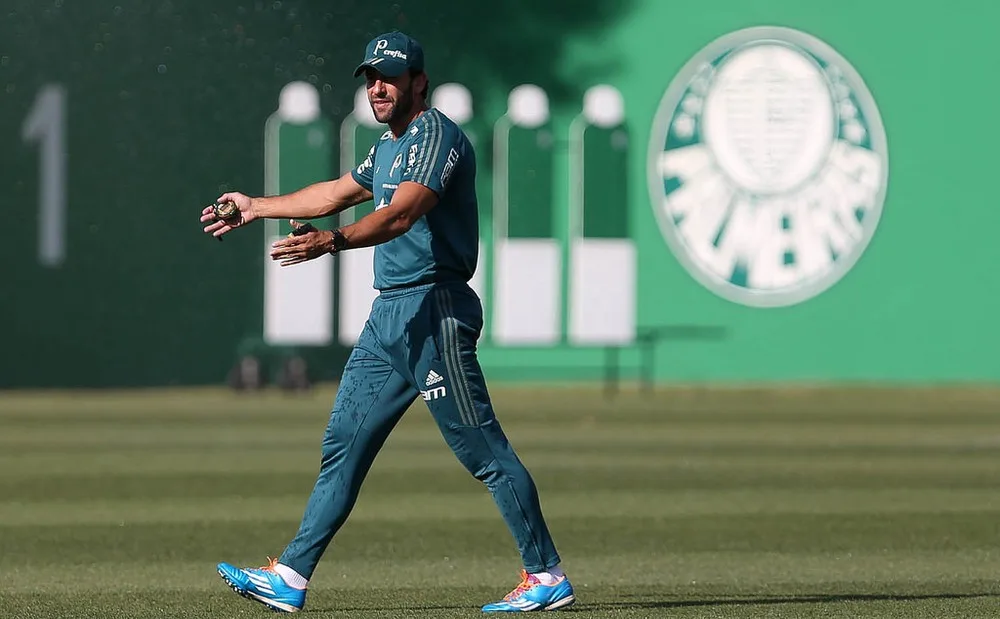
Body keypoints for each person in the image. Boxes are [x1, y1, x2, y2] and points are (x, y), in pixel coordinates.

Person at [203, 31, 574, 614]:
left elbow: (401, 215)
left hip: (434, 310)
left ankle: (546, 573)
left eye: (390, 77)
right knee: (343, 443)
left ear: (418, 83)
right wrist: (257, 206)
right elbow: (334, 193)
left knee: (480, 448)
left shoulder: (435, 135)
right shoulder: (388, 145)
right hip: (389, 318)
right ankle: (291, 576)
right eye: (370, 77)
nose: (378, 87)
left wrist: (332, 243)